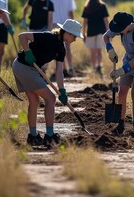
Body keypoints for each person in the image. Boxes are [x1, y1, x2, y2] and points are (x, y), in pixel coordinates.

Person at [12, 19, 84, 147]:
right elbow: (22, 36)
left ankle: (33, 136)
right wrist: (28, 52)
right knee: (50, 98)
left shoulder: (62, 49)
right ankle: (49, 136)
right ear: (66, 33)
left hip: (31, 69)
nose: (75, 39)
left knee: (34, 101)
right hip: (23, 66)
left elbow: (59, 72)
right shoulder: (48, 37)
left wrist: (62, 90)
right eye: (74, 36)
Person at [103, 12, 134, 135]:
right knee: (122, 92)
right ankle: (121, 123)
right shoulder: (120, 28)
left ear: (128, 25)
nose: (118, 32)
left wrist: (120, 71)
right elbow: (106, 36)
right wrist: (110, 49)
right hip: (128, 61)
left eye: (120, 30)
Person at [48, 0, 77, 76]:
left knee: (57, 47)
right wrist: (73, 24)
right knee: (68, 47)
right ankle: (71, 67)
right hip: (66, 24)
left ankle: (61, 68)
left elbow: (49, 12)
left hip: (55, 24)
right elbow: (70, 12)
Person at [81, 0, 109, 76]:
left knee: (92, 52)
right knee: (99, 51)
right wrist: (108, 33)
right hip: (101, 32)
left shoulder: (87, 7)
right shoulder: (103, 6)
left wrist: (83, 33)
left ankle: (94, 68)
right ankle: (99, 66)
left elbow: (85, 21)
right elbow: (106, 20)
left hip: (91, 32)